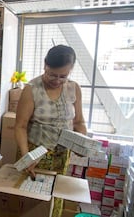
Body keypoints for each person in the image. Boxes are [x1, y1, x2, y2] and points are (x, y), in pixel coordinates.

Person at [14, 45, 87, 217]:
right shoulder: (32, 89)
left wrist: (82, 143)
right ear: (45, 64)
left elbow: (79, 122)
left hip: (62, 156)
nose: (57, 80)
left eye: (63, 76)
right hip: (34, 155)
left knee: (55, 199)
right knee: (31, 202)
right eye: (52, 74)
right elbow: (20, 126)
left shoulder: (73, 88)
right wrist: (26, 157)